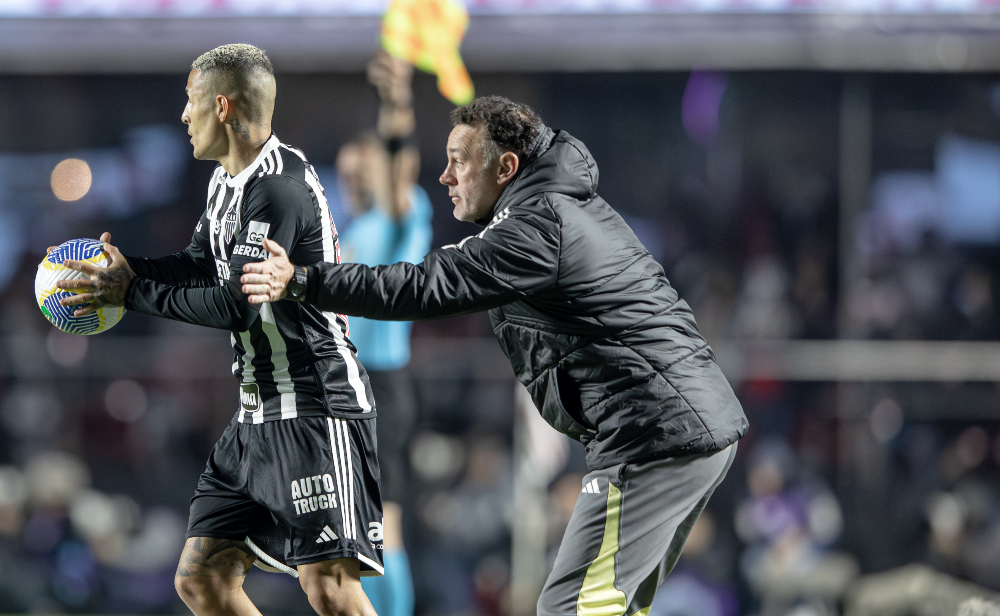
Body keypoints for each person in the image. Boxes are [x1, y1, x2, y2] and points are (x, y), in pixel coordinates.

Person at [241, 95, 749, 616]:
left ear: (506, 166)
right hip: (674, 423)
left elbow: (422, 285)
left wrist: (302, 280)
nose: (445, 176)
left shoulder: (534, 228)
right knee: (608, 606)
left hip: (653, 434)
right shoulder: (559, 209)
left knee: (572, 606)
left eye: (459, 160)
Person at [54, 44, 382, 616]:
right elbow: (200, 263)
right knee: (202, 579)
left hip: (313, 405)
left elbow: (238, 305)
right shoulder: (227, 182)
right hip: (256, 414)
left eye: (191, 102)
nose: (184, 115)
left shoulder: (278, 188)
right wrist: (125, 270)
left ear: (223, 106)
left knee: (329, 588)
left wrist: (130, 294)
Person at [335, 51, 431, 616]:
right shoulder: (354, 232)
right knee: (354, 531)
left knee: (380, 529)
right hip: (351, 388)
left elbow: (399, 174)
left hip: (382, 388)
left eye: (357, 173)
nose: (350, 182)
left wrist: (395, 104)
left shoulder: (401, 219)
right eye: (343, 175)